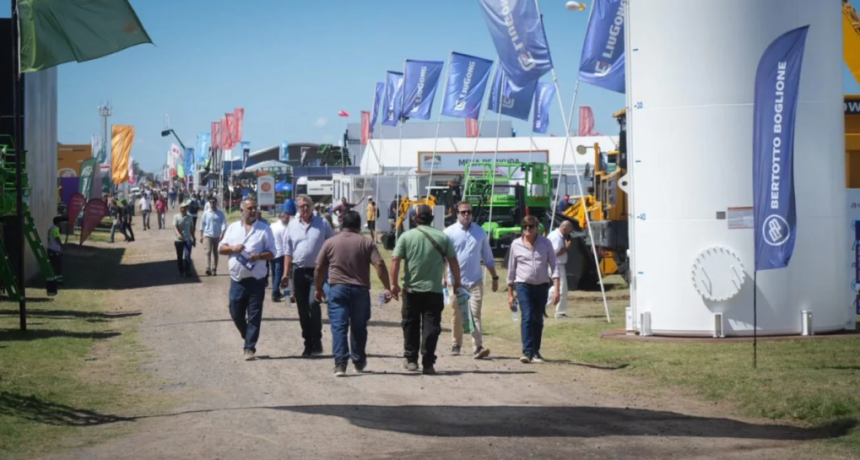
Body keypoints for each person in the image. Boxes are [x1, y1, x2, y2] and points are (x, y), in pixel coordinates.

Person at [315, 210, 392, 376]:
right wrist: (387, 286)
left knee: (339, 326)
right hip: (360, 289)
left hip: (337, 288)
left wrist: (318, 288)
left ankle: (340, 364)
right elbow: (379, 264)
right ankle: (358, 360)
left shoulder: (330, 242)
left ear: (342, 224)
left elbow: (319, 267)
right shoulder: (366, 243)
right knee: (359, 326)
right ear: (358, 225)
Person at [390, 205, 462, 375]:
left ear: (415, 219)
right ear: (431, 219)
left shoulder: (406, 236)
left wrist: (393, 284)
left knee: (410, 324)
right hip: (434, 290)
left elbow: (395, 260)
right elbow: (453, 261)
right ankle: (428, 362)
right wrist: (457, 282)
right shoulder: (442, 237)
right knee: (431, 327)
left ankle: (411, 359)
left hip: (411, 289)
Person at [219, 199, 276, 361]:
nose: (252, 211)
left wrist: (258, 256)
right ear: (242, 210)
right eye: (249, 208)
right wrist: (233, 248)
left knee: (254, 315)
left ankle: (249, 347)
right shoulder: (232, 229)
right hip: (237, 280)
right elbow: (221, 249)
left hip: (256, 280)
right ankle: (247, 334)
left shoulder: (264, 230)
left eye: (254, 208)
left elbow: (272, 252)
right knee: (235, 312)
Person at [444, 201, 499, 359]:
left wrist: (495, 277)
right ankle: (456, 343)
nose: (466, 215)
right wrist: (443, 278)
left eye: (469, 212)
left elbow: (488, 257)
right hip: (455, 282)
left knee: (475, 314)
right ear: (457, 214)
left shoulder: (480, 232)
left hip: (475, 280)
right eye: (463, 212)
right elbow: (444, 259)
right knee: (458, 314)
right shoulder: (449, 233)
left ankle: (478, 346)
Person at [281, 194, 333, 357]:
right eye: (301, 206)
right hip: (298, 272)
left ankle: (317, 339)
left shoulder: (322, 224)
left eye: (307, 205)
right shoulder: (292, 226)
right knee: (302, 309)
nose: (304, 208)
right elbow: (288, 252)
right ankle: (308, 342)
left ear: (312, 206)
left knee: (313, 304)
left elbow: (331, 246)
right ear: (297, 208)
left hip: (317, 272)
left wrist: (330, 270)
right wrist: (285, 274)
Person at [507, 215, 560, 364]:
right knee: (527, 316)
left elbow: (554, 267)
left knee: (538, 319)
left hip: (542, 286)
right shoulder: (516, 244)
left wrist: (557, 289)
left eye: (530, 227)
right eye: (524, 227)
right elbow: (511, 269)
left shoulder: (546, 243)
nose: (527, 230)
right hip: (523, 285)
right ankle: (527, 351)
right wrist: (510, 294)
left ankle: (536, 351)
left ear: (537, 228)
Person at [547, 221, 574, 319]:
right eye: (569, 230)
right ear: (564, 229)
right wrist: (566, 248)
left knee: (556, 288)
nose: (570, 232)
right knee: (562, 289)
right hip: (556, 265)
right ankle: (559, 313)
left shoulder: (556, 234)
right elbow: (554, 254)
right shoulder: (557, 238)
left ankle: (541, 305)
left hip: (556, 265)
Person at [269, 201, 294, 302]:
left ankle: (276, 291)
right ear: (282, 217)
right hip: (280, 253)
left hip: (272, 252)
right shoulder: (284, 228)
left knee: (275, 274)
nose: (288, 220)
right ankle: (275, 293)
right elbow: (286, 243)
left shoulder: (272, 225)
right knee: (280, 274)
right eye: (287, 218)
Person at [200, 197, 227, 276]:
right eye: (211, 202)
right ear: (209, 203)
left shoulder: (220, 213)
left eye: (214, 202)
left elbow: (223, 223)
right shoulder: (206, 213)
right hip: (208, 235)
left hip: (217, 235)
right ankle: (208, 268)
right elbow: (202, 224)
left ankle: (214, 268)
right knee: (208, 251)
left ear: (216, 203)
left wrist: (222, 233)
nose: (212, 204)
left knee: (215, 252)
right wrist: (201, 235)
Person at [173, 201, 195, 277]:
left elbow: (192, 228)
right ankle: (181, 270)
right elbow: (175, 227)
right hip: (178, 240)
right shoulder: (176, 217)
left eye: (186, 207)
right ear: (180, 209)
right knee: (179, 256)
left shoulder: (189, 217)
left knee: (187, 256)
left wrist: (194, 237)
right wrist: (178, 234)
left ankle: (188, 271)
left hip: (187, 239)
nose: (185, 209)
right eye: (183, 207)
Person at [47, 216, 63, 283]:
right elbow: (57, 238)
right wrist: (61, 245)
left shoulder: (50, 228)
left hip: (50, 248)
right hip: (55, 250)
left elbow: (48, 238)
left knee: (52, 265)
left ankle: (52, 278)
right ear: (58, 223)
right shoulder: (56, 229)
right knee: (58, 266)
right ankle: (58, 280)